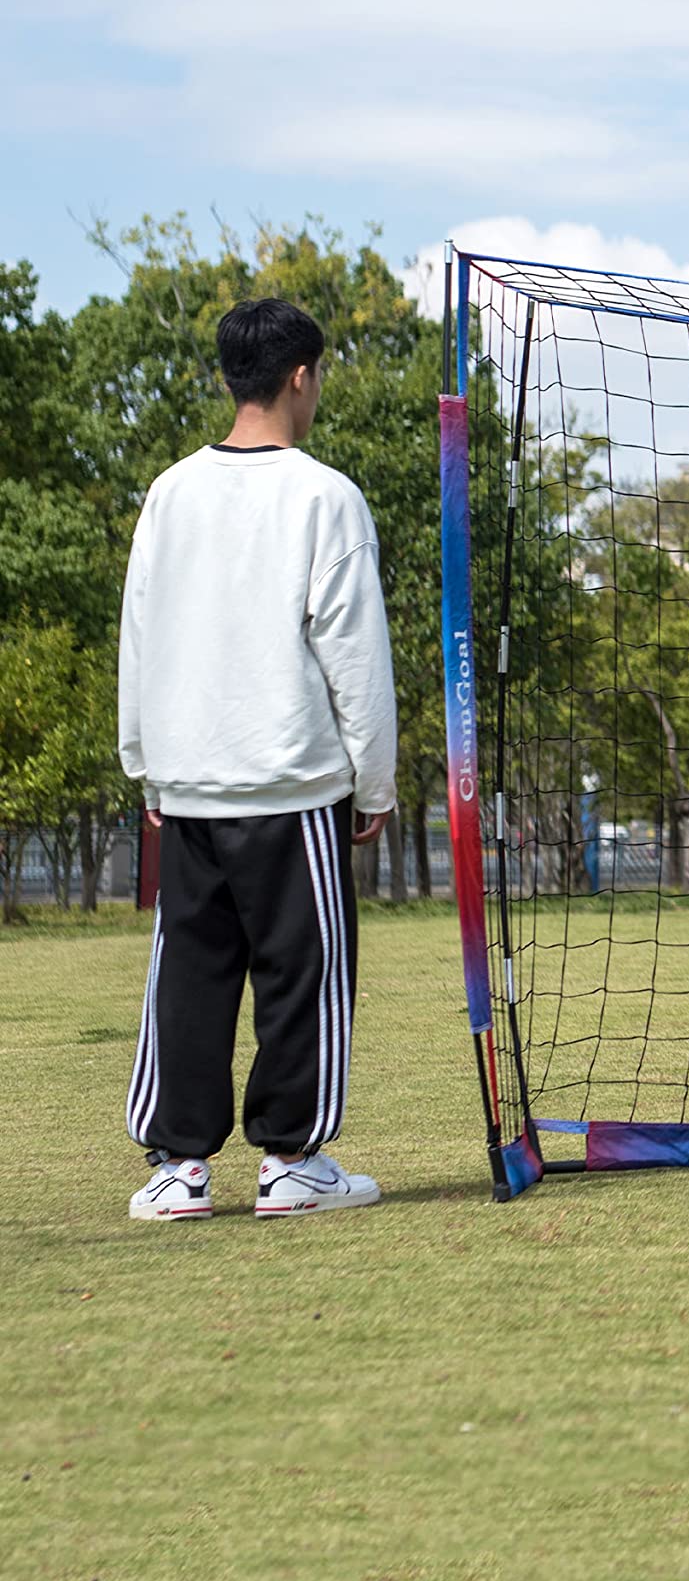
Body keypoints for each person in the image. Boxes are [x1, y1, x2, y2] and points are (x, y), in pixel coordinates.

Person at [120, 297, 397, 1220]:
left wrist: (144, 764)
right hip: (290, 782)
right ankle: (292, 1162)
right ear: (300, 377)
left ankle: (177, 1171)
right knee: (303, 970)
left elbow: (139, 633)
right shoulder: (325, 496)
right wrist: (376, 781)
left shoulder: (169, 490)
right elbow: (354, 655)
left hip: (191, 781)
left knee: (189, 972)